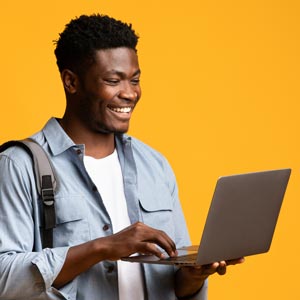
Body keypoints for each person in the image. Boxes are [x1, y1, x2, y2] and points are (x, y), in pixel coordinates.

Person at [0, 14, 244, 300]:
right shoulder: (19, 165)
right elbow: (4, 278)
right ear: (71, 82)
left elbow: (176, 284)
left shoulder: (154, 164)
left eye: (135, 79)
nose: (130, 93)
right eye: (113, 80)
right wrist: (103, 247)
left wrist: (193, 275)